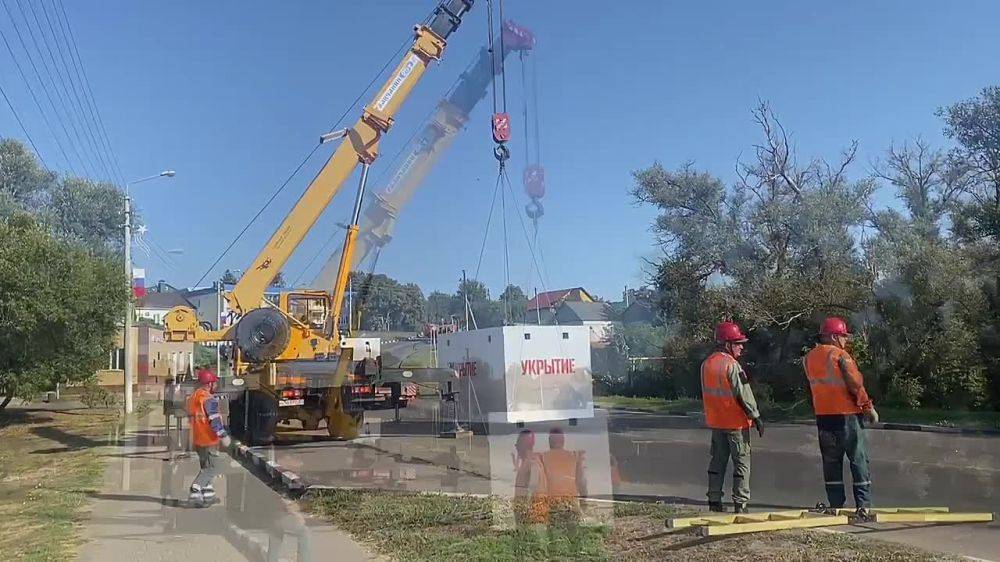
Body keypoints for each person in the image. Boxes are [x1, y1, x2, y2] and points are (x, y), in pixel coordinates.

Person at [803, 317, 878, 517]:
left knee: (831, 461)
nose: (846, 340)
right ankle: (863, 504)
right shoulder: (841, 356)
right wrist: (868, 408)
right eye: (844, 336)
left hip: (824, 417)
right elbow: (855, 385)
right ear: (835, 336)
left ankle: (836, 503)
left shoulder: (809, 358)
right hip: (848, 416)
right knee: (858, 459)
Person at [702, 321, 764, 514]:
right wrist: (756, 416)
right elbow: (743, 393)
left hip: (717, 423)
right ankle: (740, 504)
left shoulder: (706, 364)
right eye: (737, 343)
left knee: (717, 463)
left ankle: (714, 500)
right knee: (741, 464)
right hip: (736, 424)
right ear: (727, 344)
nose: (741, 347)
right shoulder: (732, 365)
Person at [187, 368, 231, 505]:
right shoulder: (209, 399)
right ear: (209, 384)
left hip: (198, 438)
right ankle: (195, 489)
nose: (216, 386)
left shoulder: (194, 397)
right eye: (214, 383)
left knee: (205, 467)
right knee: (214, 468)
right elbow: (214, 419)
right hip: (209, 439)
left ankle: (208, 495)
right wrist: (223, 435)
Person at [537, 427, 587, 526]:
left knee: (554, 538)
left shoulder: (542, 458)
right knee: (572, 537)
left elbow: (540, 485)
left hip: (552, 505)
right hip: (571, 505)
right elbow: (581, 482)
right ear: (563, 441)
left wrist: (540, 510)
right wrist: (584, 503)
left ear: (550, 441)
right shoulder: (574, 456)